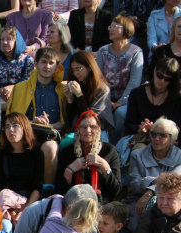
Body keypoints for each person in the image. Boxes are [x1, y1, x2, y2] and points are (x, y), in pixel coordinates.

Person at [6, 46, 66, 183]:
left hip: (52, 135)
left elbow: (63, 123)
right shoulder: (20, 88)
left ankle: (47, 190)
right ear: (36, 64)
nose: (47, 66)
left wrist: (47, 125)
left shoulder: (62, 90)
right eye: (44, 62)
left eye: (51, 63)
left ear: (57, 66)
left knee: (49, 147)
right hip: (26, 133)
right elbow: (12, 119)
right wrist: (33, 122)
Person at [95, 16, 143, 144]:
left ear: (126, 29)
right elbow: (98, 78)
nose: (111, 29)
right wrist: (108, 100)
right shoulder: (103, 51)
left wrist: (120, 103)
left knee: (121, 113)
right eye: (110, 27)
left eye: (115, 26)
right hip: (105, 97)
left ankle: (117, 145)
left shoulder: (135, 52)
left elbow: (135, 81)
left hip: (127, 99)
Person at [57, 111, 121, 204]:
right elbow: (59, 191)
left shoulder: (109, 151)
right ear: (77, 129)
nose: (88, 130)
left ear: (98, 129)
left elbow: (116, 191)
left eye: (93, 127)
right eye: (83, 127)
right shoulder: (67, 152)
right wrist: (69, 170)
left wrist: (104, 166)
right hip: (73, 204)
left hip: (102, 205)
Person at [0, 113, 45, 219]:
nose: (11, 130)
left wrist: (26, 210)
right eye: (7, 127)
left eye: (15, 125)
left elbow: (37, 187)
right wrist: (12, 213)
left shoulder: (36, 153)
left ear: (24, 128)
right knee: (6, 226)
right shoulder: (1, 155)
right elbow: (1, 188)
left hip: (31, 201)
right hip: (8, 202)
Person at [123, 58, 181, 149]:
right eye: (160, 75)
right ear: (154, 70)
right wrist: (141, 128)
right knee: (139, 150)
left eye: (167, 79)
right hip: (143, 139)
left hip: (166, 142)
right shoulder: (137, 94)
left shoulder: (176, 99)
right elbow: (129, 124)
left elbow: (177, 126)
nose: (162, 81)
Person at [130, 118, 181, 218]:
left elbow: (174, 185)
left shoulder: (180, 157)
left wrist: (151, 191)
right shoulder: (137, 155)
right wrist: (155, 181)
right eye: (154, 134)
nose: (156, 138)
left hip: (172, 202)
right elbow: (134, 183)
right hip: (139, 198)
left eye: (162, 135)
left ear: (172, 140)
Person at [0, 26, 35, 110]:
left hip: (21, 98)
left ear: (16, 41)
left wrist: (13, 88)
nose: (5, 42)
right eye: (2, 39)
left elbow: (29, 81)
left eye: (9, 39)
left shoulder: (27, 61)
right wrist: (0, 89)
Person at [64, 51, 114, 138]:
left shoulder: (102, 89)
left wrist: (79, 95)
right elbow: (70, 120)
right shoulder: (78, 85)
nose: (76, 74)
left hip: (98, 130)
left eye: (78, 69)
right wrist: (70, 100)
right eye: (73, 70)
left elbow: (90, 118)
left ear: (89, 67)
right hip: (77, 131)